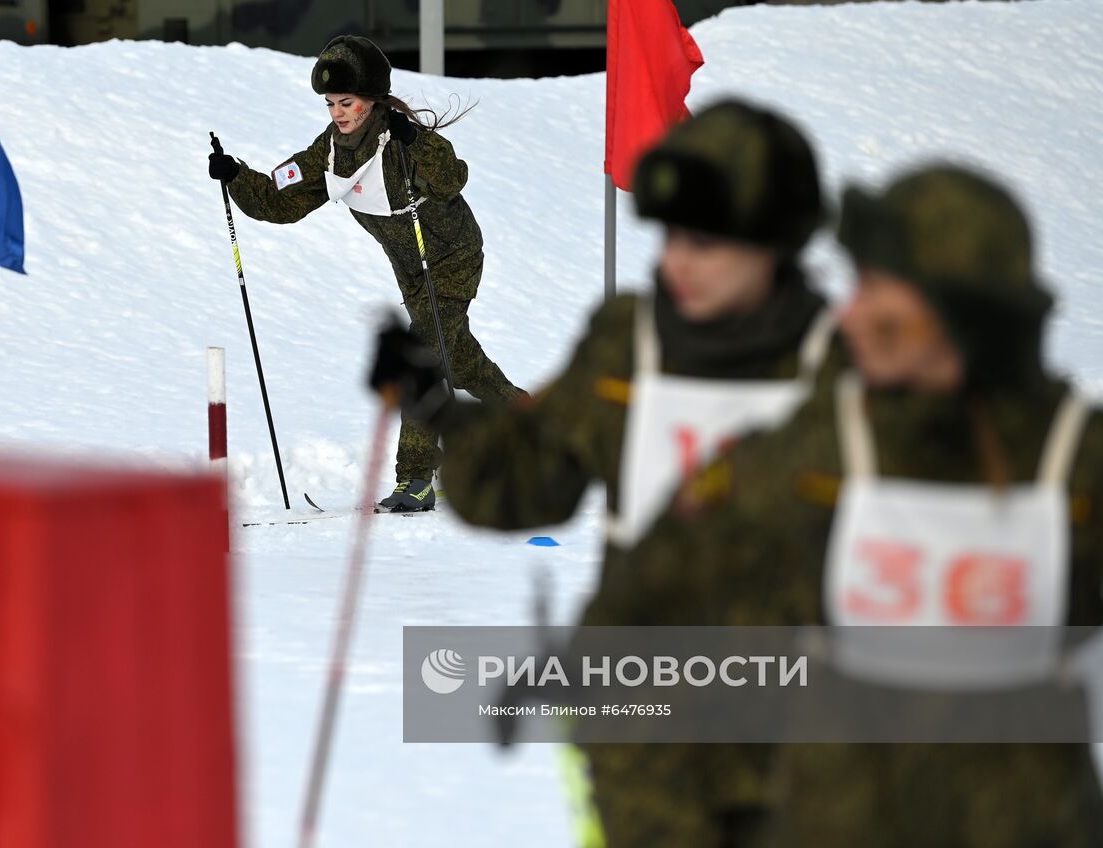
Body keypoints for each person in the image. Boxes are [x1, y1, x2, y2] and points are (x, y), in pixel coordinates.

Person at [577, 165, 1103, 846]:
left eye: (879, 290)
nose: (849, 313)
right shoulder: (813, 456)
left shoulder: (1077, 463)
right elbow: (632, 626)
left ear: (958, 307)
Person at [370, 99, 836, 846]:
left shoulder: (847, 371)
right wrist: (437, 406)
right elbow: (526, 483)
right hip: (644, 746)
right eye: (673, 235)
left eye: (709, 241)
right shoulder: (629, 343)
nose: (678, 262)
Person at [208, 34, 521, 512]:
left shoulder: (401, 141)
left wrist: (418, 140)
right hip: (412, 273)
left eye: (346, 102)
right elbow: (279, 201)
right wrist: (235, 176)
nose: (337, 112)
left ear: (371, 100)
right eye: (331, 103)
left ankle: (416, 477)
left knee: (420, 355)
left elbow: (451, 179)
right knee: (460, 363)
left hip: (454, 257)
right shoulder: (330, 152)